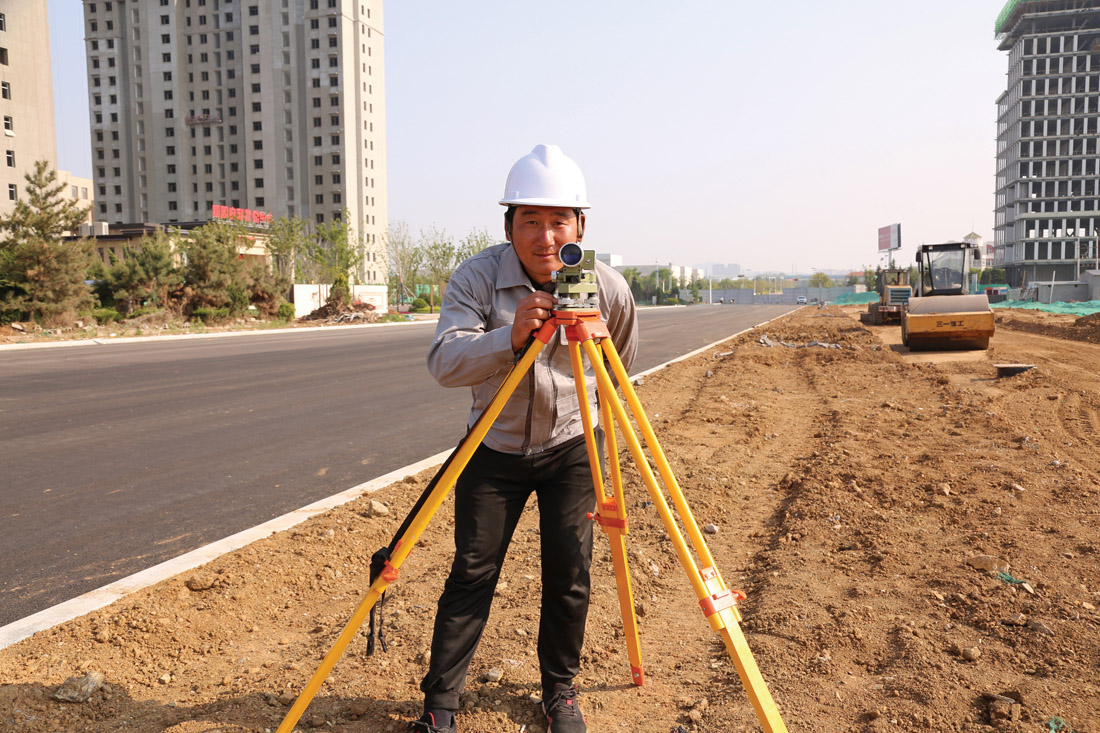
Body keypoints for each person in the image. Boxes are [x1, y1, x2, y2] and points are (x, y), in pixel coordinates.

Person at [411, 145, 638, 733]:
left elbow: (618, 370)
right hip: (494, 448)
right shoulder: (477, 278)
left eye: (559, 219)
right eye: (529, 220)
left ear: (581, 226)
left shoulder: (608, 289)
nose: (544, 235)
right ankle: (441, 703)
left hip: (572, 450)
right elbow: (443, 363)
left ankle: (560, 691)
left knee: (570, 572)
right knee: (473, 570)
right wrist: (506, 339)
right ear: (508, 224)